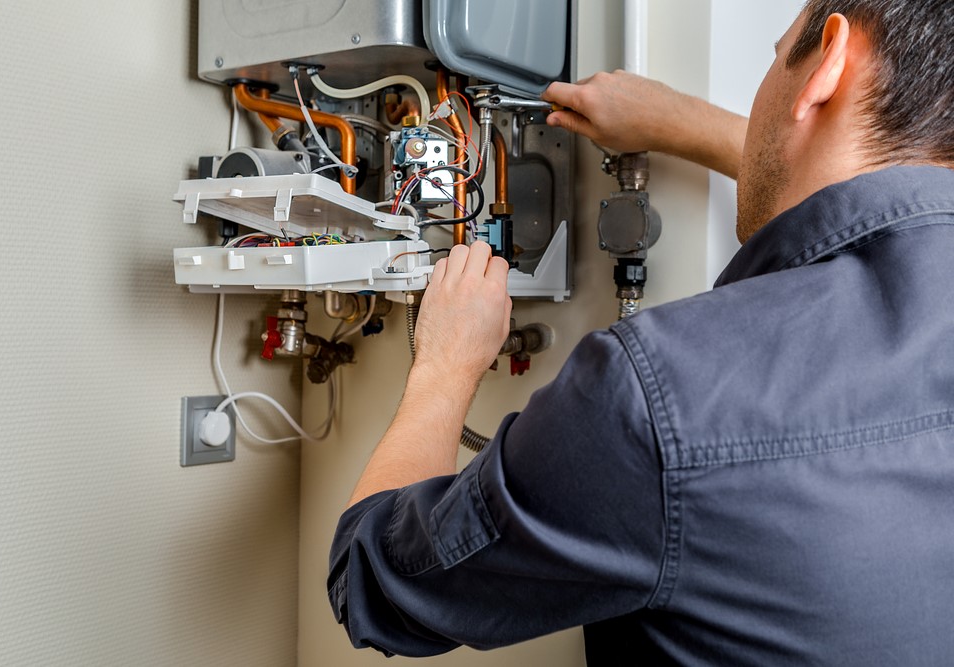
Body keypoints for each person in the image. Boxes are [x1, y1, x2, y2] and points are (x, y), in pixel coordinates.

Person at [328, 1, 954, 663]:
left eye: (776, 58)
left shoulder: (661, 399)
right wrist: (680, 122)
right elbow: (854, 181)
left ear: (827, 63)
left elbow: (372, 582)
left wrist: (446, 362)